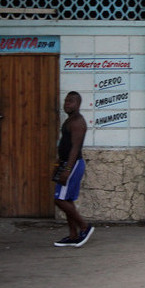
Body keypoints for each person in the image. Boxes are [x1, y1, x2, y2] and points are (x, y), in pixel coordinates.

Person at [53, 91, 94, 247]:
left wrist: (67, 169)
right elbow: (65, 145)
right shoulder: (70, 120)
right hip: (65, 164)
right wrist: (58, 165)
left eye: (71, 101)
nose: (67, 104)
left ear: (78, 104)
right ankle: (73, 235)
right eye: (65, 101)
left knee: (59, 199)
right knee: (67, 199)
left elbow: (75, 149)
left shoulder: (77, 122)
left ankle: (84, 226)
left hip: (73, 165)